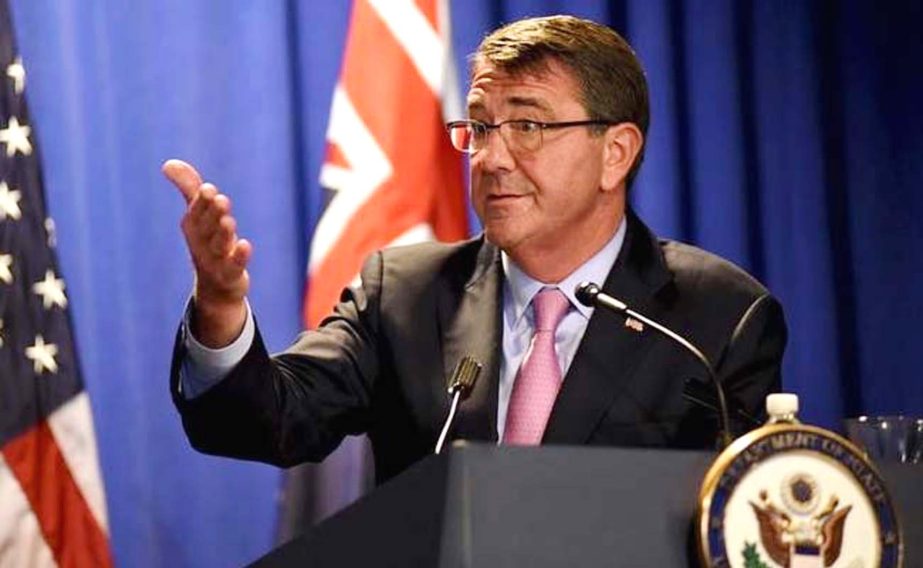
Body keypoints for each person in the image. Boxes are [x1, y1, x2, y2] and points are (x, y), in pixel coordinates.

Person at [163, 15, 786, 484]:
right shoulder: (404, 294)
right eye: (480, 126)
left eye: (527, 126)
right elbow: (267, 421)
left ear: (614, 153)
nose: (489, 158)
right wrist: (219, 306)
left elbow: (742, 518)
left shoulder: (718, 318)